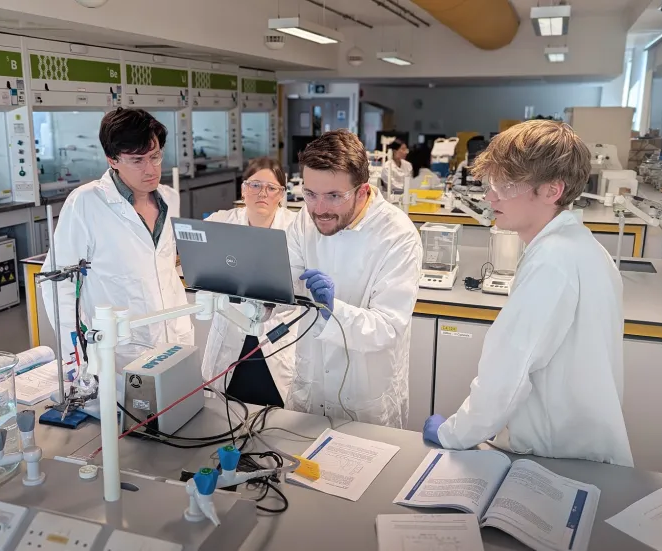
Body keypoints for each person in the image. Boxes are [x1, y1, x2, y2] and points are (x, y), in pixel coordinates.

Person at [423, 120, 634, 466]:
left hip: (556, 458)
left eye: (506, 186)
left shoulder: (553, 260)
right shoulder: (582, 247)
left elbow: (508, 371)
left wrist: (453, 434)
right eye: (491, 183)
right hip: (576, 448)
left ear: (552, 190)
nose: (490, 196)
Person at [287, 129, 423, 429]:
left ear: (362, 191)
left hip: (365, 396)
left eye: (334, 196)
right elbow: (289, 285)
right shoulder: (303, 220)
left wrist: (334, 310)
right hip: (311, 387)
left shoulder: (397, 235)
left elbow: (388, 328)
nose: (319, 209)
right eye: (310, 194)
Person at [42, 107, 193, 368]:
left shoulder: (169, 198)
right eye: (137, 160)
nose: (151, 169)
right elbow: (57, 283)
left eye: (155, 156)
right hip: (121, 350)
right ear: (112, 160)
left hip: (175, 337)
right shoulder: (86, 203)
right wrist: (78, 355)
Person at [202, 157, 299, 407]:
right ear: (243, 189)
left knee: (276, 413)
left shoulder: (298, 228)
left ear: (281, 194)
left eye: (271, 188)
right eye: (255, 185)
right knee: (225, 411)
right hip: (232, 331)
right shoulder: (220, 222)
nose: (262, 193)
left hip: (276, 336)